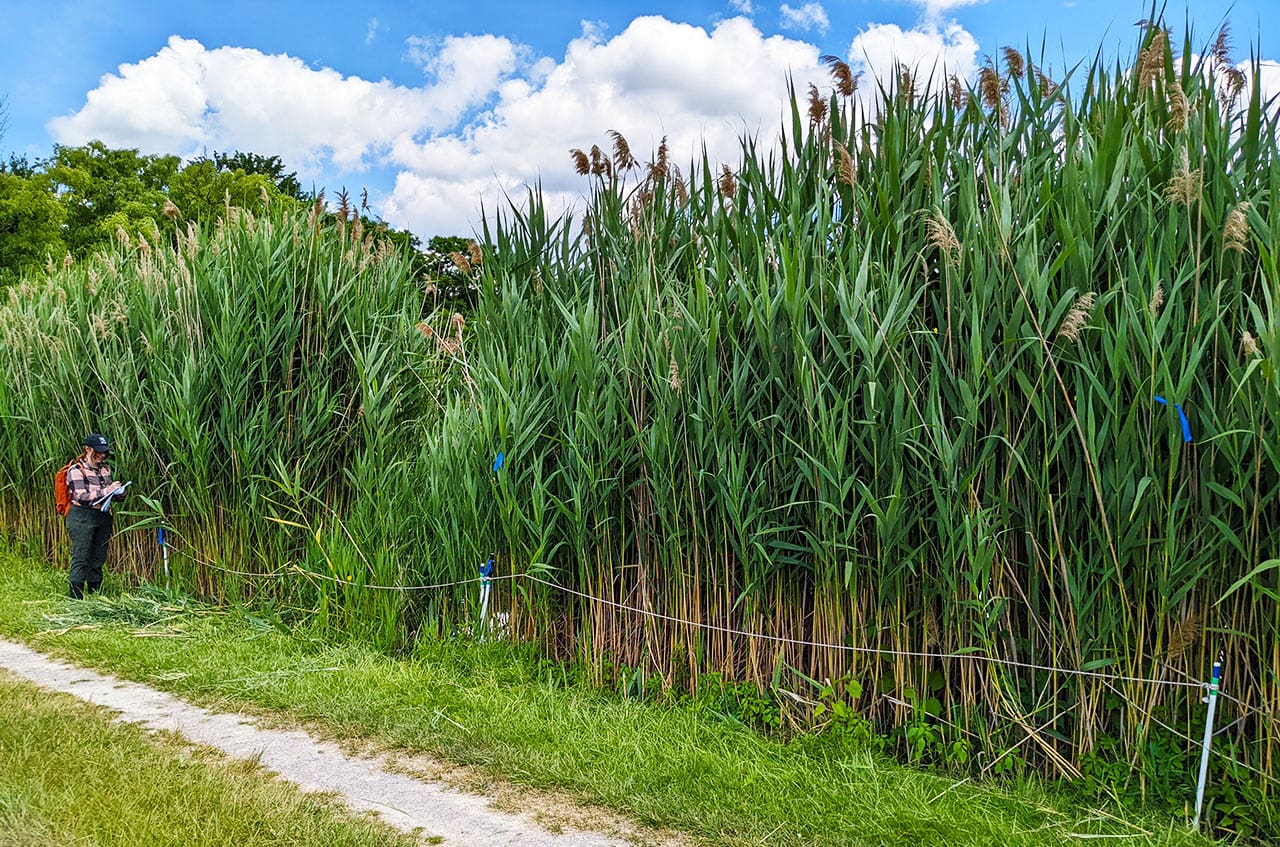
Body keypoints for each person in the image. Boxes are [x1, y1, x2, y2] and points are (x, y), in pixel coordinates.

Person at [64, 433, 126, 599]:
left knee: (98, 558)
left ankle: (95, 596)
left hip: (103, 516)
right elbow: (82, 497)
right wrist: (108, 490)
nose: (102, 455)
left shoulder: (105, 468)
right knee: (81, 556)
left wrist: (119, 494)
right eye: (98, 451)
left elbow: (106, 495)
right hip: (81, 517)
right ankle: (75, 598)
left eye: (104, 451)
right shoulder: (76, 470)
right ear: (87, 449)